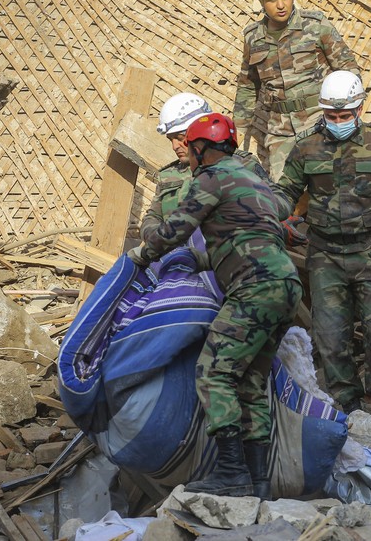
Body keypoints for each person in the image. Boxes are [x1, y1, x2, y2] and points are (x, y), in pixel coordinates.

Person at [127, 113, 301, 499]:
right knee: (251, 381)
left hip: (255, 287)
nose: (186, 156)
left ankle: (231, 474)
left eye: (189, 148)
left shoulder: (210, 177)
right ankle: (258, 483)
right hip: (285, 285)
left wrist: (142, 255)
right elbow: (247, 236)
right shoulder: (254, 181)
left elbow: (175, 229)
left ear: (201, 148)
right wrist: (199, 261)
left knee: (213, 373)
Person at [272, 70, 371, 445]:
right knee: (330, 335)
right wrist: (279, 215)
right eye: (332, 116)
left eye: (345, 115)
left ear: (359, 108)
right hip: (326, 253)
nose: (338, 123)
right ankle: (350, 408)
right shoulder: (306, 147)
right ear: (323, 112)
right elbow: (285, 191)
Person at [234, 0, 361, 181]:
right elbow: (248, 84)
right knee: (284, 192)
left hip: (319, 123)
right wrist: (239, 128)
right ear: (261, 0)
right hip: (279, 130)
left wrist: (348, 113)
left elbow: (348, 69)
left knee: (326, 186)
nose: (281, 4)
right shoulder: (252, 37)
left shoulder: (315, 25)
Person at [142, 92, 273, 239]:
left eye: (180, 138)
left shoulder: (244, 165)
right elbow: (153, 217)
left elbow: (270, 208)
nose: (174, 146)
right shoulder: (167, 177)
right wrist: (158, 237)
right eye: (170, 139)